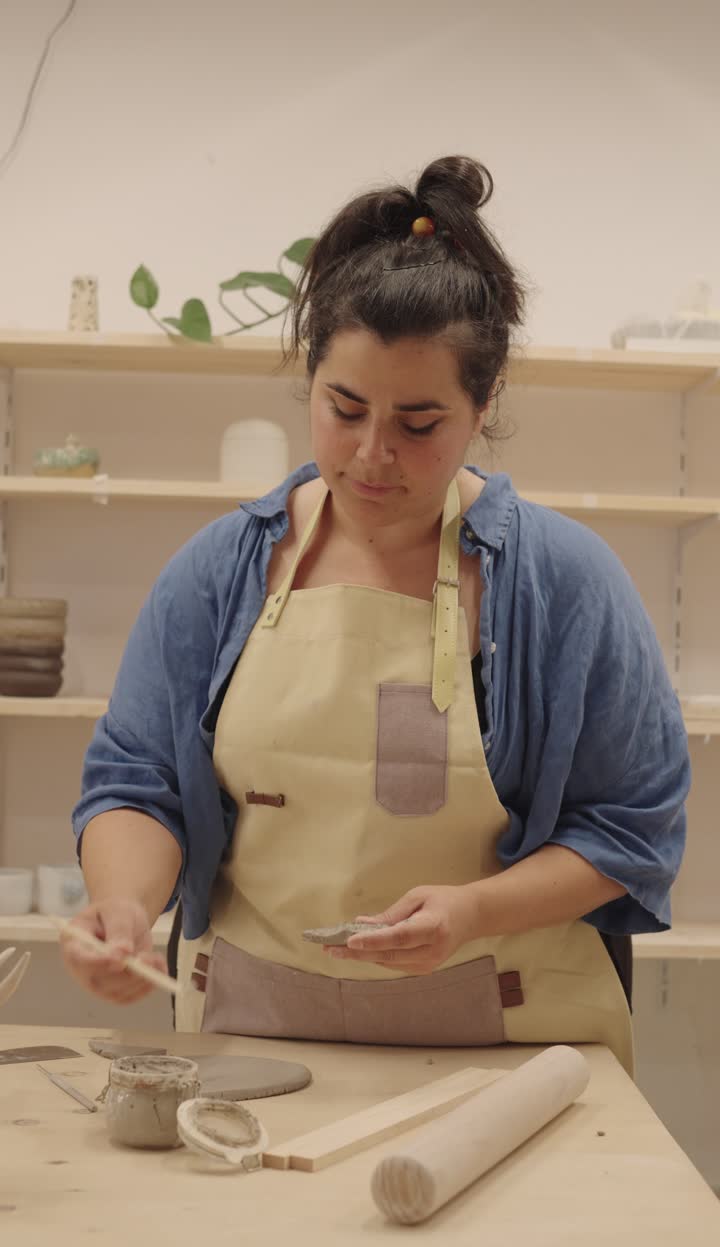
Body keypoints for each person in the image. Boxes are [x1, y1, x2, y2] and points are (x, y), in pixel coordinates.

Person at [65, 155, 690, 1074]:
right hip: (250, 1038)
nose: (371, 455)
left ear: (482, 408)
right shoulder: (222, 571)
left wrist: (475, 911)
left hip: (512, 1056)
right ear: (308, 382)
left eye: (419, 422)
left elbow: (629, 831)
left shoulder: (562, 583)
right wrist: (123, 902)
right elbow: (138, 780)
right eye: (343, 408)